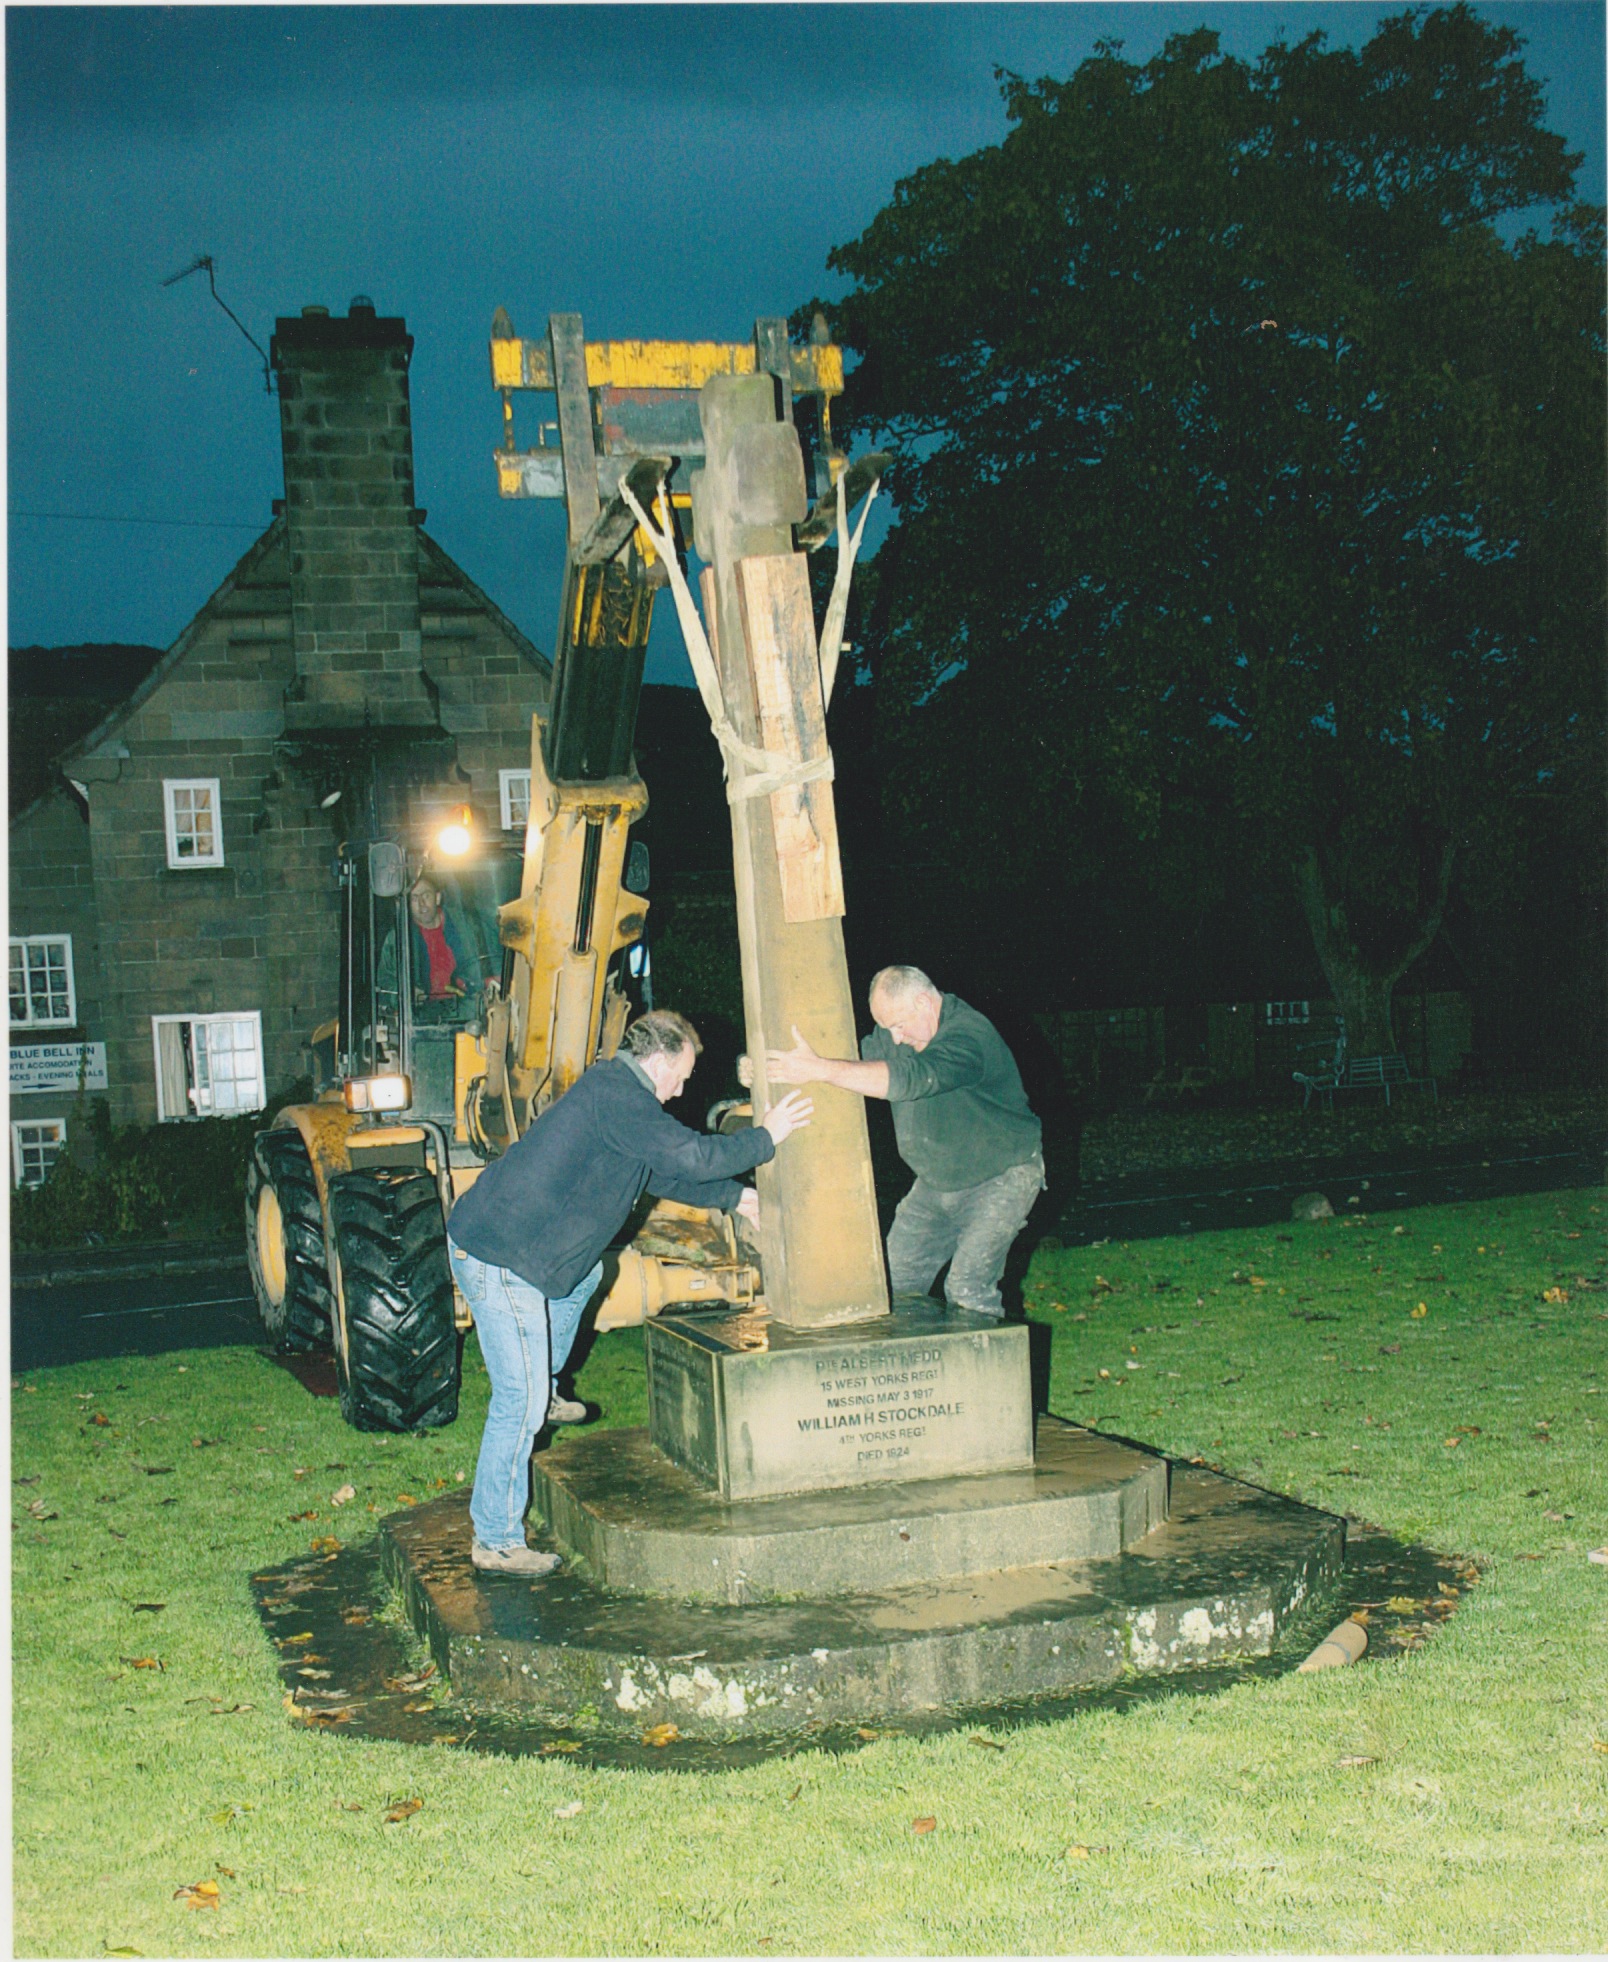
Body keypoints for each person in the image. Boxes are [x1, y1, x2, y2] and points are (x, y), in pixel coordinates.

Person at [446, 1008, 813, 1576]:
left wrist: (733, 1198)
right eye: (683, 1075)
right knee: (515, 1405)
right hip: (499, 1253)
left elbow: (657, 1173)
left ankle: (543, 1390)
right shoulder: (619, 1097)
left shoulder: (615, 1096)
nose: (683, 1088)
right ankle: (494, 1539)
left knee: (586, 1277)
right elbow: (687, 1154)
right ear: (660, 1060)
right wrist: (768, 1137)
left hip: (516, 1248)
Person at [766, 965, 1042, 1320]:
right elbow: (848, 1061)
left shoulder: (969, 1036)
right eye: (887, 1028)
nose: (894, 1039)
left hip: (1002, 1177)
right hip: (937, 1183)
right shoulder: (899, 1033)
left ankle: (988, 1375)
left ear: (925, 1002)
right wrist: (763, 1068)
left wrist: (821, 1069)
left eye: (898, 1025)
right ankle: (919, 1373)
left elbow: (913, 1079)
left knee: (967, 1289)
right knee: (890, 1288)